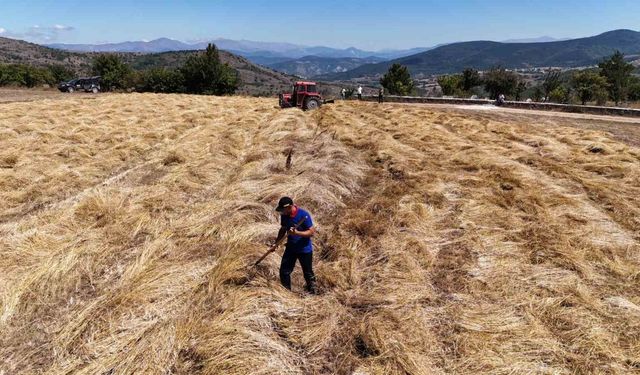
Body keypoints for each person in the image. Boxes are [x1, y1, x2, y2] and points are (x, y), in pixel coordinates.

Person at [275, 197, 317, 294]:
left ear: (289, 207)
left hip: (304, 249)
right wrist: (277, 242)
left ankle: (313, 292)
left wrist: (297, 233)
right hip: (291, 248)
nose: (282, 213)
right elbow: (283, 229)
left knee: (308, 273)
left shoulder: (304, 215)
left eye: (283, 210)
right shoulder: (285, 215)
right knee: (284, 272)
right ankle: (286, 293)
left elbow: (311, 232)